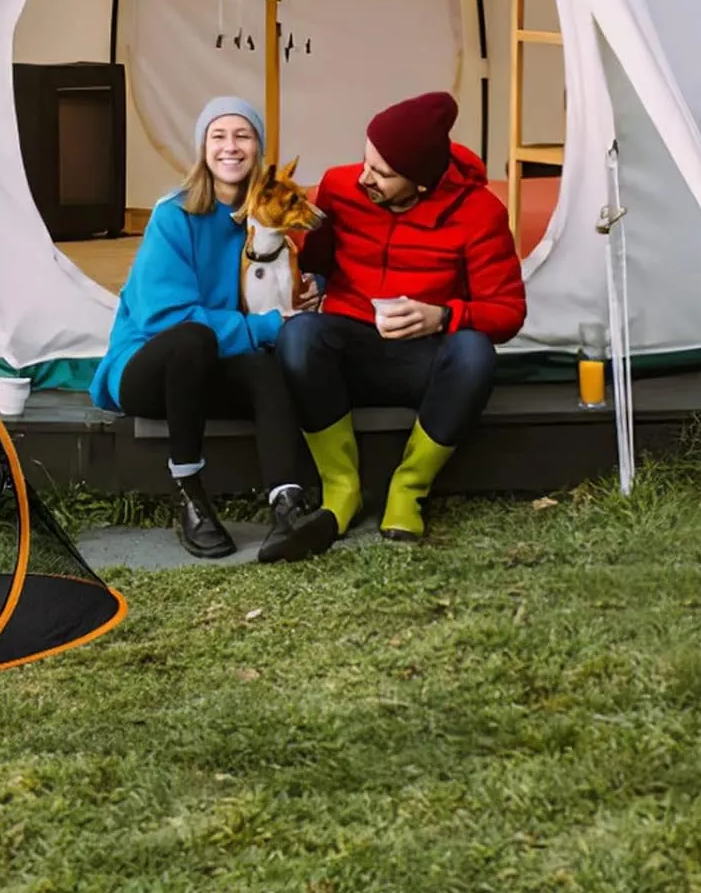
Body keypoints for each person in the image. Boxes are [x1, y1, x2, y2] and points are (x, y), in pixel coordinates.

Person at [272, 91, 527, 554]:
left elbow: (508, 311)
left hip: (422, 361)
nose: (365, 177)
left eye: (383, 174)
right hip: (351, 349)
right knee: (300, 336)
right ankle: (341, 488)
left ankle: (408, 488)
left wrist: (444, 315)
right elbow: (317, 259)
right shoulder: (339, 185)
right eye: (366, 160)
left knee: (475, 353)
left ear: (421, 184)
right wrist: (307, 278)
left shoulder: (480, 212)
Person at [90, 96, 321, 561]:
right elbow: (165, 317)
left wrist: (313, 284)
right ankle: (190, 496)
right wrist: (263, 327)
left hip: (216, 364)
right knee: (196, 340)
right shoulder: (173, 215)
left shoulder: (263, 222)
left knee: (261, 368)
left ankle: (287, 502)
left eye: (243, 135)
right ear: (203, 149)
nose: (230, 147)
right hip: (147, 364)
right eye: (218, 136)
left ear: (258, 148)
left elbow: (283, 280)